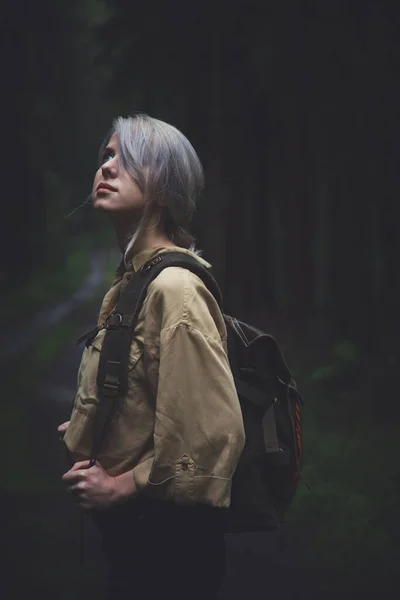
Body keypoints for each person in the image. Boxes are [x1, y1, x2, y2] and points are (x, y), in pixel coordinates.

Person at [58, 113, 246, 600]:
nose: (107, 167)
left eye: (126, 159)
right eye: (106, 155)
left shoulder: (175, 289)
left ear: (163, 186)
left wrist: (121, 487)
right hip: (138, 539)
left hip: (169, 545)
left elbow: (208, 435)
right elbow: (145, 389)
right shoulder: (135, 281)